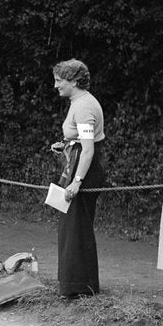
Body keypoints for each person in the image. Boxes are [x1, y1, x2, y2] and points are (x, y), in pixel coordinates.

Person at [52, 59, 106, 298]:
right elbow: (79, 142)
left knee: (77, 229)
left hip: (85, 171)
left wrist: (77, 182)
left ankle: (79, 288)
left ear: (74, 81)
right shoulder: (77, 101)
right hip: (76, 165)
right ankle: (74, 285)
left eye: (59, 81)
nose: (56, 86)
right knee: (70, 227)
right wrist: (63, 145)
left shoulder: (84, 106)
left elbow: (89, 149)